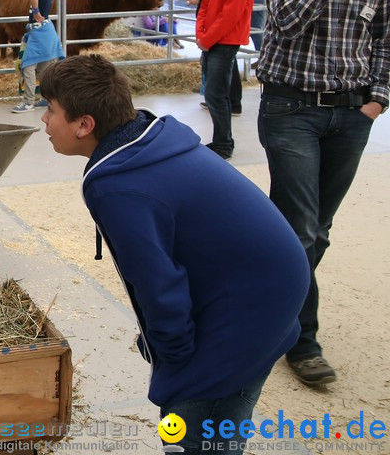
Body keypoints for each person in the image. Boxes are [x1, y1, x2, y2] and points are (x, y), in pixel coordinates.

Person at [38, 55, 308, 454]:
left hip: (255, 302)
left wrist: (176, 358)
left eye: (51, 109)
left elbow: (156, 281)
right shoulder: (144, 141)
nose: (44, 120)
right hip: (269, 282)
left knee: (191, 423)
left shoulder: (116, 187)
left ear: (84, 124)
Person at [256, 0, 390, 387]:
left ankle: (264, 303)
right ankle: (298, 339)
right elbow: (286, 23)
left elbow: (385, 39)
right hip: (292, 111)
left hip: (353, 114)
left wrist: (377, 101)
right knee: (301, 229)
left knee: (318, 231)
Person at [195, 0, 254, 159]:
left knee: (216, 94)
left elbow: (230, 15)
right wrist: (201, 35)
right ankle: (222, 140)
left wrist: (207, 39)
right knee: (214, 93)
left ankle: (224, 144)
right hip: (212, 40)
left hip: (224, 42)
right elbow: (205, 6)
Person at [12, 0, 63, 113]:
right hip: (47, 31)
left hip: (39, 31)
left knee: (28, 66)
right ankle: (47, 99)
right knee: (44, 67)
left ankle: (28, 102)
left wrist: (36, 13)